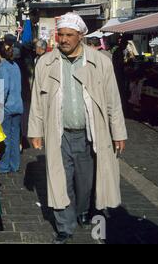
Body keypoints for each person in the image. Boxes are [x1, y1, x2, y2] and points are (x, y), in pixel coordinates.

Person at [28, 12, 127, 244]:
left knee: (86, 182)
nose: (63, 39)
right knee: (60, 179)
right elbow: (36, 100)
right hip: (59, 133)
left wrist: (119, 133)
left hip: (89, 135)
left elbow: (113, 100)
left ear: (80, 35)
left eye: (69, 35)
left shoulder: (100, 61)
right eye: (60, 34)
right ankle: (65, 225)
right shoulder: (45, 63)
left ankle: (83, 210)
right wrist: (35, 131)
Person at [0, 41, 24, 174]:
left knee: (5, 138)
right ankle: (15, 164)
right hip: (17, 105)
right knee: (15, 137)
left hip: (6, 107)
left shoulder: (2, 67)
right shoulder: (15, 65)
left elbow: (3, 89)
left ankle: (4, 166)